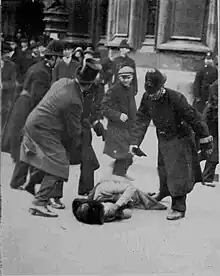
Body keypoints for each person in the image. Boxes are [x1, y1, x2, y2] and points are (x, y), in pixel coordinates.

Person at [21, 58, 102, 217]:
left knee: (53, 159)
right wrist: (81, 143)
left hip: (35, 122)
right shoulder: (75, 100)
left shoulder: (63, 81)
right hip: (44, 129)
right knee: (59, 163)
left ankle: (34, 184)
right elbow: (74, 130)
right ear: (90, 84)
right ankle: (39, 202)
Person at [129, 68, 213, 221]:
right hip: (163, 137)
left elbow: (194, 117)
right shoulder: (147, 97)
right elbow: (141, 118)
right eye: (150, 91)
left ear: (161, 86)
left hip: (180, 137)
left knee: (177, 173)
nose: (152, 95)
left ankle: (179, 207)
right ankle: (164, 191)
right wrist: (134, 142)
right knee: (163, 167)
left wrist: (205, 137)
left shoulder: (176, 98)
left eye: (155, 91)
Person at [1, 40, 64, 190]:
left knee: (30, 145)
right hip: (28, 108)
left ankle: (19, 181)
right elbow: (38, 97)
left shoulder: (40, 67)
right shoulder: (41, 72)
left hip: (25, 106)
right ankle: (24, 182)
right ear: (53, 57)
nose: (60, 60)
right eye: (59, 57)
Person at [72, 174, 167, 225]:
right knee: (134, 201)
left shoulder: (103, 188)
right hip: (119, 195)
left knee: (142, 198)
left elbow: (131, 188)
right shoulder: (102, 213)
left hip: (121, 185)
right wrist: (117, 212)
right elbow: (127, 213)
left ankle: (146, 194)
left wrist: (117, 205)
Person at [101, 66, 137, 180]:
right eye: (123, 78)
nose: (125, 80)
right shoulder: (114, 89)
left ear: (132, 78)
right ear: (118, 77)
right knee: (124, 153)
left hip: (128, 126)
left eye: (128, 77)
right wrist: (118, 115)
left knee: (128, 154)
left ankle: (119, 173)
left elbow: (132, 107)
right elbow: (103, 108)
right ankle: (117, 176)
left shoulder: (130, 88)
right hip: (116, 127)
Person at [201, 79, 218, 187]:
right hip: (212, 120)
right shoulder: (216, 85)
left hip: (213, 119)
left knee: (211, 150)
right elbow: (215, 103)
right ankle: (207, 177)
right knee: (213, 151)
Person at [1, 42, 17, 130]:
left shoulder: (11, 65)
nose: (7, 55)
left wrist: (2, 85)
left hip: (5, 99)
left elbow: (13, 82)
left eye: (8, 52)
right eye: (5, 52)